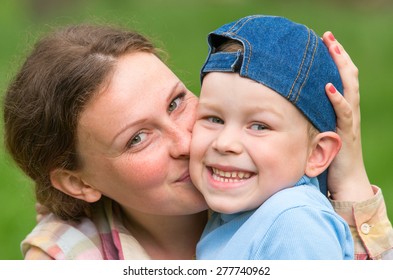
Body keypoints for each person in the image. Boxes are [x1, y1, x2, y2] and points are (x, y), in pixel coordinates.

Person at [2, 23, 392, 260]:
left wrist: (348, 174)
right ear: (79, 183)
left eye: (176, 102)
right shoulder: (68, 260)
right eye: (137, 138)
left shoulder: (277, 190)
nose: (187, 142)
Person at [190, 15, 353, 260]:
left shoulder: (295, 223)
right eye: (214, 119)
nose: (225, 143)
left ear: (316, 153)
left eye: (259, 126)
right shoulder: (247, 213)